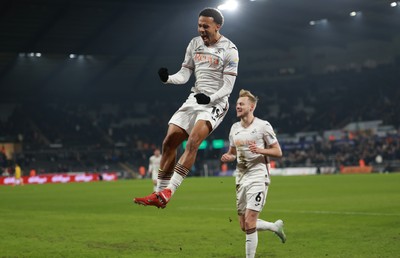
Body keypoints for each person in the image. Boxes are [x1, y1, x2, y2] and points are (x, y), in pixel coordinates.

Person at [134, 7, 239, 208]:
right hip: (194, 98)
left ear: (218, 26)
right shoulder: (194, 44)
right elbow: (185, 73)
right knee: (169, 142)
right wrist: (168, 79)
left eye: (205, 26)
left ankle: (168, 191)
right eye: (199, 25)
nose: (201, 29)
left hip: (215, 102)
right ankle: (158, 195)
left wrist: (208, 99)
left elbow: (228, 86)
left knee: (192, 142)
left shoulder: (230, 50)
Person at [220, 89, 286, 258]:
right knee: (244, 225)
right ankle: (273, 227)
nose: (238, 107)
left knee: (250, 221)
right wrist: (229, 156)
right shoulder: (234, 128)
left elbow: (278, 152)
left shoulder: (263, 126)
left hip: (258, 177)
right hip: (241, 177)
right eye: (237, 104)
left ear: (252, 106)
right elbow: (233, 151)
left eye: (241, 104)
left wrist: (260, 150)